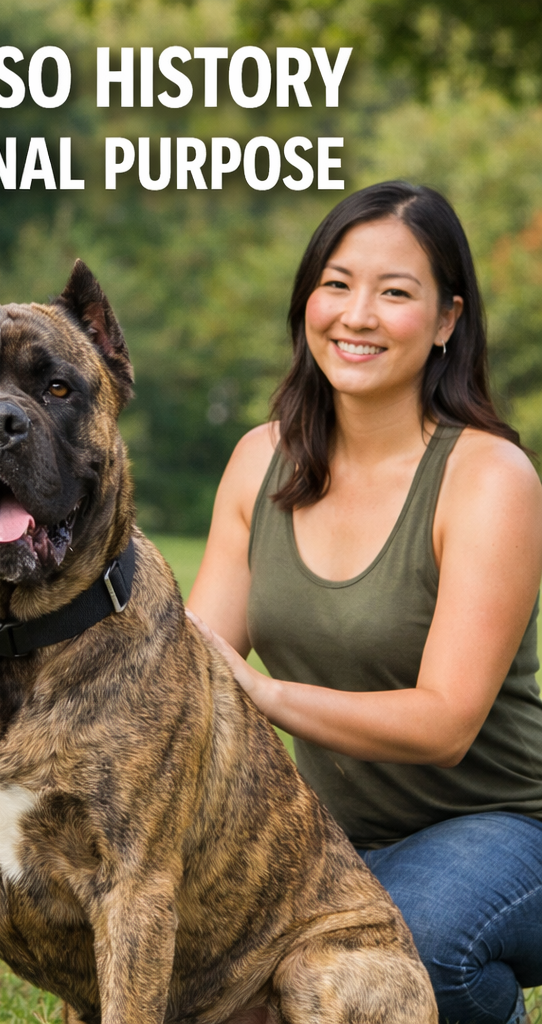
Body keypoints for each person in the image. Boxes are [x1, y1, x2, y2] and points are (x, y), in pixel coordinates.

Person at [187, 181, 542, 1024]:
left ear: (448, 321)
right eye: (337, 284)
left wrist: (270, 697)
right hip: (335, 841)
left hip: (508, 828)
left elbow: (446, 722)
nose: (358, 315)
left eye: (395, 293)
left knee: (401, 945)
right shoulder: (258, 462)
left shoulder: (489, 478)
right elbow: (194, 657)